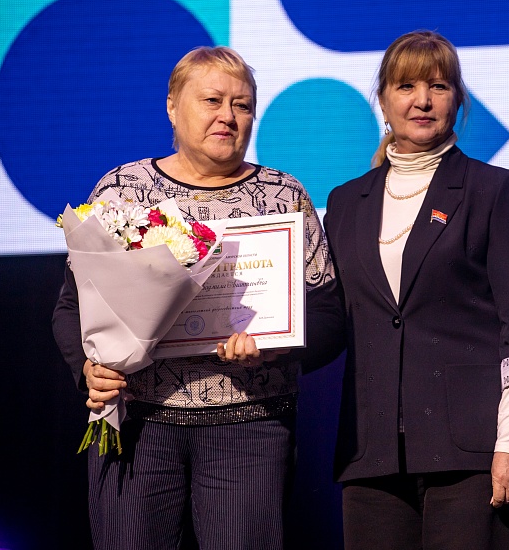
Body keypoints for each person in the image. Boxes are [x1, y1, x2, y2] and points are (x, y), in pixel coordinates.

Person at [52, 45, 333, 550]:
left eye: (242, 104)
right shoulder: (123, 190)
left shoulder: (283, 195)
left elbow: (329, 313)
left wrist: (275, 347)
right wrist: (88, 369)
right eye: (212, 100)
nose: (229, 116)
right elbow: (72, 307)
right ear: (172, 106)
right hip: (137, 421)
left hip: (250, 425)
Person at [301, 30, 509, 549]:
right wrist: (260, 343)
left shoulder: (493, 190)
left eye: (438, 86)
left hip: (472, 454)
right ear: (383, 100)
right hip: (371, 454)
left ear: (457, 100)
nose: (422, 101)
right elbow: (333, 321)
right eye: (406, 86)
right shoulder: (345, 202)